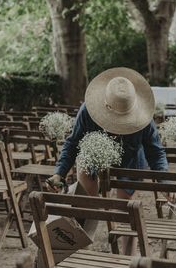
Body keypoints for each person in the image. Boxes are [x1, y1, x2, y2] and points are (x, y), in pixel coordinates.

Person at [47, 67, 168, 199]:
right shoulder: (87, 111)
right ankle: (93, 210)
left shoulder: (144, 118)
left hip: (130, 161)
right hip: (92, 157)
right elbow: (73, 143)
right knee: (90, 203)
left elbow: (156, 152)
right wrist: (59, 173)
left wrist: (165, 182)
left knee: (124, 209)